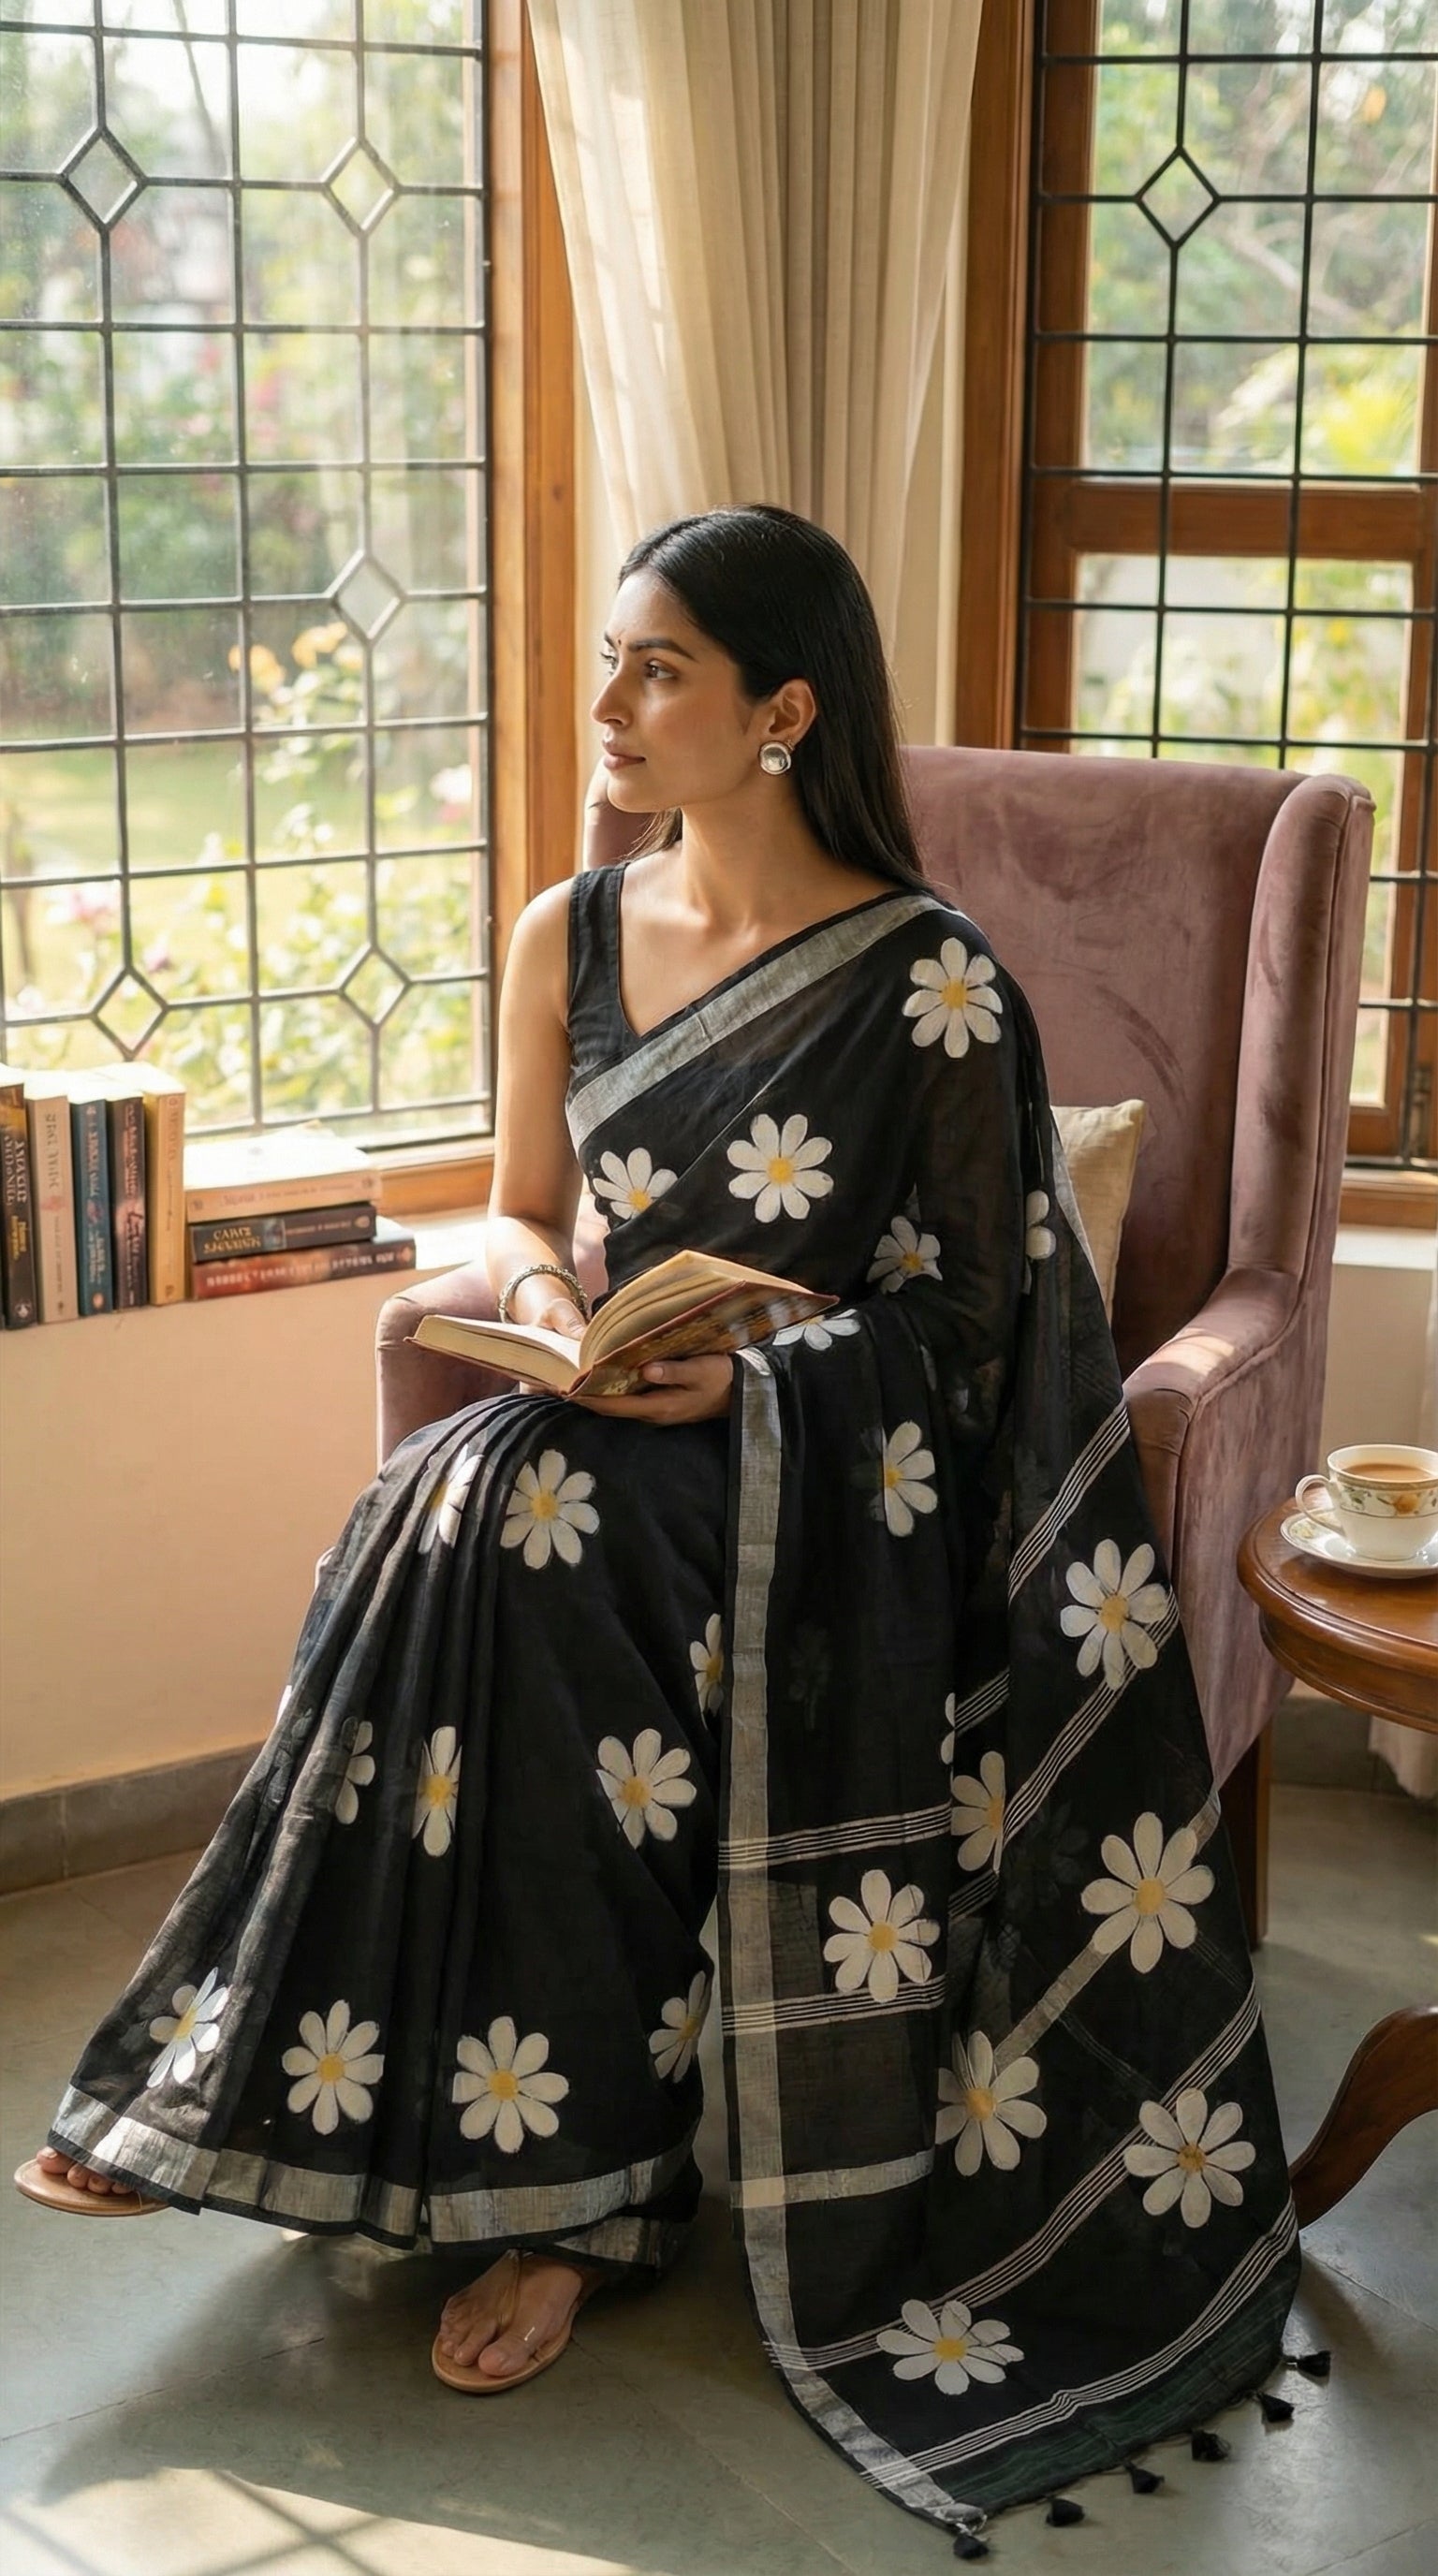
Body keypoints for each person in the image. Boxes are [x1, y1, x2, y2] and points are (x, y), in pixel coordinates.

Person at [16, 506, 1298, 2547]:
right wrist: (543, 1304)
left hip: (836, 1477)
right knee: (447, 1504)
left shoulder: (934, 984)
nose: (608, 701)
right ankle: (330, 2085)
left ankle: (576, 2196)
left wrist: (757, 1382)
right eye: (613, 655)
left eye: (658, 666)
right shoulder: (573, 930)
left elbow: (973, 1323)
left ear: (783, 710)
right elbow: (523, 1203)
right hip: (601, 1410)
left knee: (538, 1542)